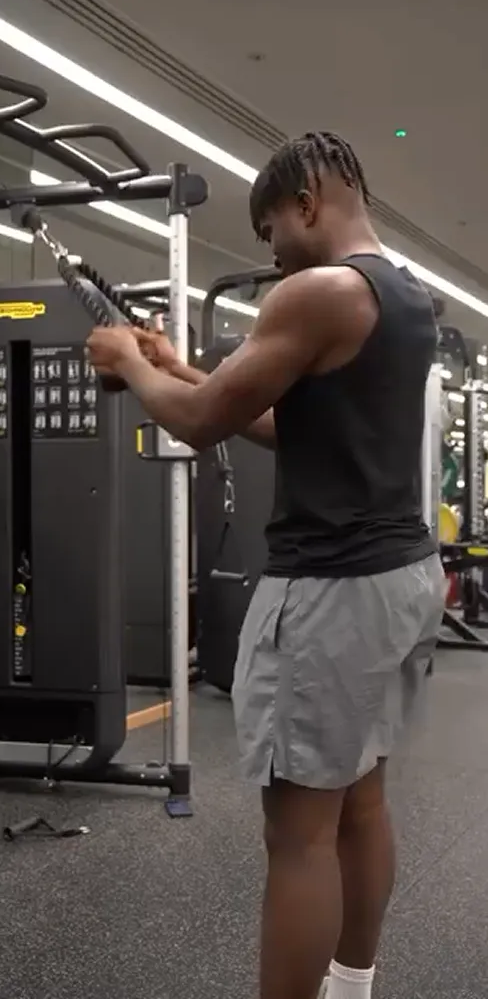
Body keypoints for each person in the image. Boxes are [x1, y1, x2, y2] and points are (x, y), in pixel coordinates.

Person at [87, 130, 446, 999]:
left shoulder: (318, 291)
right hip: (400, 580)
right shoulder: (405, 297)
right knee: (359, 803)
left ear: (306, 203)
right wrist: (186, 368)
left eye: (270, 229)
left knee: (298, 833)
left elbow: (200, 422)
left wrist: (134, 364)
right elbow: (290, 422)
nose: (272, 251)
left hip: (332, 594)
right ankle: (353, 987)